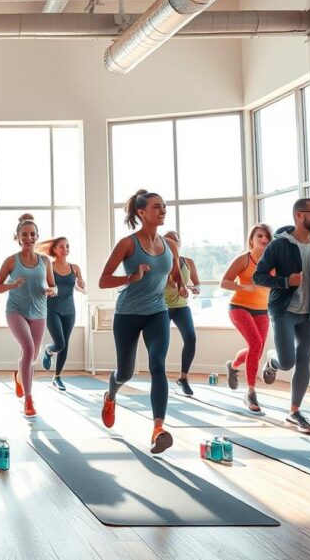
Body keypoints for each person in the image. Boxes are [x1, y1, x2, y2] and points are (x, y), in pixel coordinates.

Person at [99, 190, 187, 455]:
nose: (163, 210)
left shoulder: (170, 245)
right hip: (127, 314)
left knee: (157, 365)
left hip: (157, 312)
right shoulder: (127, 244)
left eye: (164, 206)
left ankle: (158, 429)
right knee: (125, 373)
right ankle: (111, 395)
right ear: (141, 212)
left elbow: (174, 273)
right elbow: (103, 280)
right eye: (156, 207)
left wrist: (182, 286)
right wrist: (131, 278)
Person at [254, 198, 310, 434]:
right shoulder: (278, 246)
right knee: (287, 362)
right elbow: (258, 276)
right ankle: (273, 361)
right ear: (299, 215)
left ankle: (294, 412)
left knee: (304, 360)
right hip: (284, 311)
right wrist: (286, 281)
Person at [0, 214, 56, 417]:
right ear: (18, 237)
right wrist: (12, 285)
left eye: (32, 234)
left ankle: (20, 377)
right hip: (16, 311)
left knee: (32, 357)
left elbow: (52, 284)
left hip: (39, 311)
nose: (28, 238)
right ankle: (28, 400)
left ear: (37, 236)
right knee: (28, 348)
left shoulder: (45, 261)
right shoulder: (11, 261)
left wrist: (53, 290)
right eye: (24, 235)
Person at [221, 223, 274, 413]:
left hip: (262, 310)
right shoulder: (244, 259)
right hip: (239, 307)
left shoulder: (273, 260)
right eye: (259, 236)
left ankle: (233, 365)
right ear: (251, 239)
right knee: (256, 344)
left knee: (256, 350)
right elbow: (224, 282)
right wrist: (244, 287)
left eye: (267, 236)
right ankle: (250, 392)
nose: (264, 239)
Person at [35, 235, 85, 391]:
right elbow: (41, 286)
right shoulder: (48, 267)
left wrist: (81, 286)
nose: (65, 249)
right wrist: (47, 290)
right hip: (52, 309)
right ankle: (49, 350)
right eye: (62, 246)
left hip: (69, 310)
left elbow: (80, 287)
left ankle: (57, 377)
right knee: (60, 343)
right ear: (55, 250)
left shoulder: (75, 268)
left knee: (65, 344)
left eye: (67, 246)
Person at [162, 231, 200, 396]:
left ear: (179, 243)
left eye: (175, 240)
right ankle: (159, 378)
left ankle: (183, 378)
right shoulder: (160, 261)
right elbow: (165, 281)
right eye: (168, 240)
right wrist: (179, 285)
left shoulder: (188, 262)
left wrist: (195, 289)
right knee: (162, 343)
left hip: (181, 307)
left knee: (191, 338)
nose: (172, 243)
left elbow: (197, 283)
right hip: (162, 307)